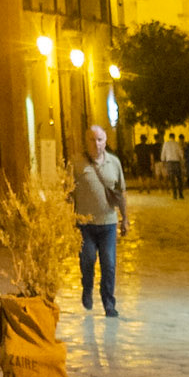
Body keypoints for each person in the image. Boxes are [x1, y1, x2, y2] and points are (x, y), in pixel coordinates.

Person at [73, 124, 128, 317]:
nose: (96, 144)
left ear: (105, 142)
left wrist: (125, 219)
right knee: (87, 260)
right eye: (92, 139)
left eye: (100, 140)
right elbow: (67, 191)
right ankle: (87, 288)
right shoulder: (76, 163)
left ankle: (109, 304)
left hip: (108, 224)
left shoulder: (114, 163)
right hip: (85, 224)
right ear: (86, 141)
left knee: (109, 264)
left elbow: (120, 192)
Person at [159, 131, 184, 198]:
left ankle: (174, 194)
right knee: (179, 178)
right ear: (174, 137)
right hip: (176, 162)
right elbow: (181, 153)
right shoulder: (177, 144)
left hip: (169, 162)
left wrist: (163, 161)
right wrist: (182, 160)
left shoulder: (166, 144)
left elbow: (163, 153)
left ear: (169, 137)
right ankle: (181, 194)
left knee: (172, 178)